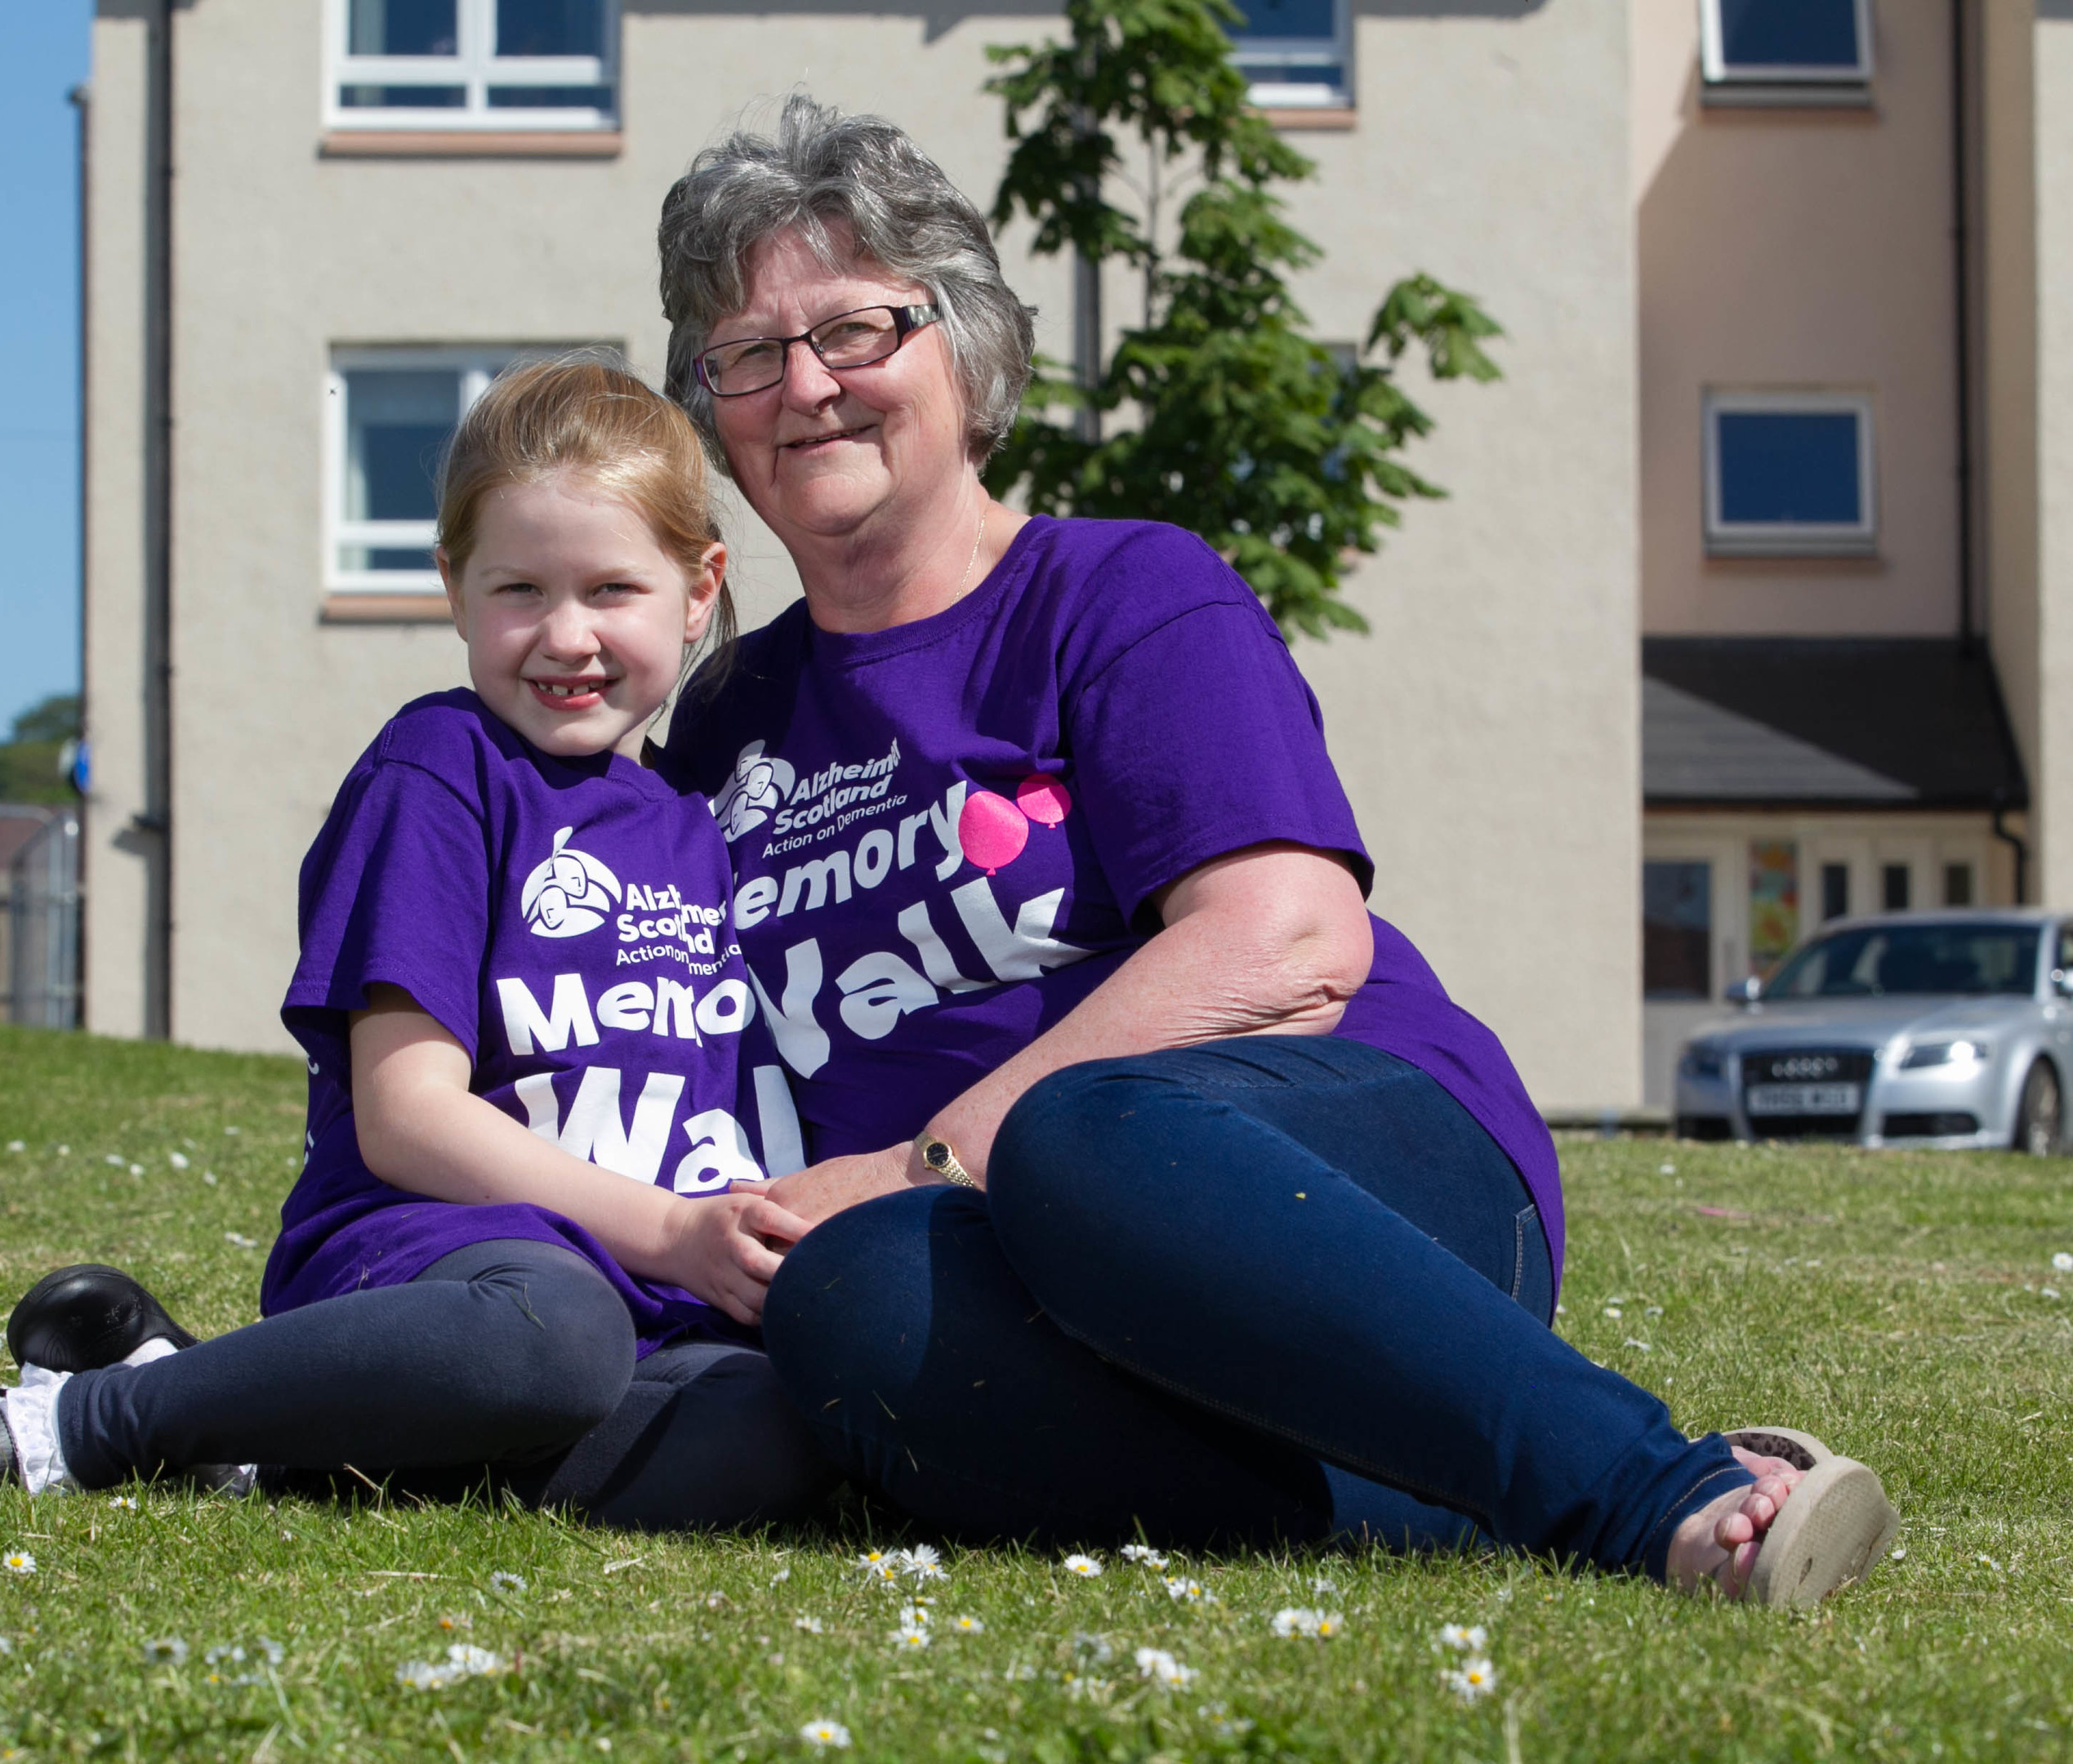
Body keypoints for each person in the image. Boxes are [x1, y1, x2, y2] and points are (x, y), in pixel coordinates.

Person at [651, 96, 1897, 1603]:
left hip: (1336, 1195)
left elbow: (1290, 943)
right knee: (847, 1307)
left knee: (1079, 1131)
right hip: (1007, 1279)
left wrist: (923, 1159)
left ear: (963, 349)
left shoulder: (1120, 592)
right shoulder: (721, 723)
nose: (806, 388)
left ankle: (1662, 1486)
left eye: (856, 331)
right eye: (746, 355)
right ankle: (1457, 1491)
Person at [0, 358, 836, 1529]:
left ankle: (255, 1432)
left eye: (612, 589)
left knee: (773, 1428)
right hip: (448, 1263)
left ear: (698, 589)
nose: (567, 635)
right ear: (453, 586)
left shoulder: (695, 826)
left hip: (640, 1307)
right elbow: (406, 1116)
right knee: (556, 1338)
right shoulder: (442, 771)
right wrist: (662, 1231)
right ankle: (64, 1430)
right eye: (519, 590)